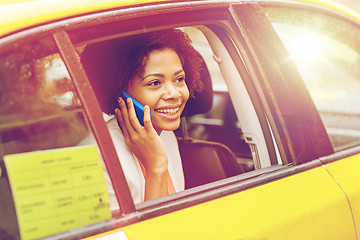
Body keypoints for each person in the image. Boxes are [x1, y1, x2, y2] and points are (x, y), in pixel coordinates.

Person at [81, 29, 203, 207]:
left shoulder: (164, 134)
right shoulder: (97, 157)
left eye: (179, 79)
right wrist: (156, 167)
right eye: (155, 83)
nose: (174, 93)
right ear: (119, 92)